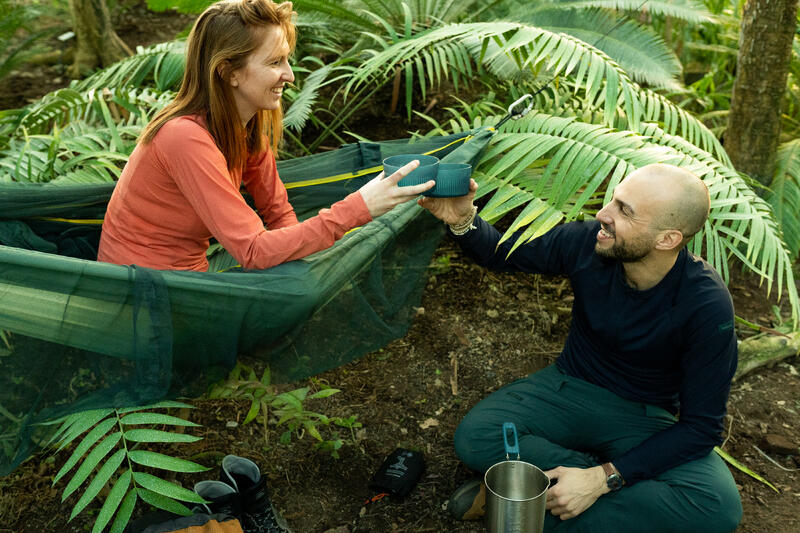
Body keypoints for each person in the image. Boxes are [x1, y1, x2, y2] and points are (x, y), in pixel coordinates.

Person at [418, 163, 743, 532]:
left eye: (625, 211)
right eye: (614, 201)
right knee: (478, 436)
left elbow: (702, 429)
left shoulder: (705, 305)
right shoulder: (589, 242)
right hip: (568, 388)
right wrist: (463, 219)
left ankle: (529, 500)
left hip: (643, 416)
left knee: (717, 508)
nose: (603, 215)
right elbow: (503, 253)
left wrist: (603, 479)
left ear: (666, 239)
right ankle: (572, 493)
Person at [98, 0, 432, 271]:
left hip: (187, 281)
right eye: (275, 62)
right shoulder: (183, 137)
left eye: (287, 60)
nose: (289, 75)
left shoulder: (244, 124)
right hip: (143, 294)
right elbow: (253, 250)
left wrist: (303, 273)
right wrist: (360, 207)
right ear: (229, 72)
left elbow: (277, 211)